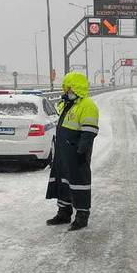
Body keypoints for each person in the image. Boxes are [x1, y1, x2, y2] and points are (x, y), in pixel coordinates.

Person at [46, 72, 99, 231]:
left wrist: (81, 151)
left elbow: (89, 131)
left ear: (77, 88)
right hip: (63, 153)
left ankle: (82, 216)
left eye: (69, 88)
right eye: (65, 88)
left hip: (76, 153)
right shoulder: (68, 103)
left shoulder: (87, 105)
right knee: (62, 182)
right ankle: (64, 213)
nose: (66, 91)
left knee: (79, 184)